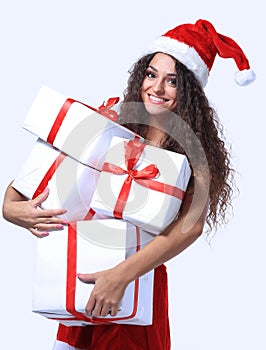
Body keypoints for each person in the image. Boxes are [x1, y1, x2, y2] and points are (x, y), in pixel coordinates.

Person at [2, 19, 255, 350]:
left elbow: (190, 227)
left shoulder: (193, 148)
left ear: (189, 90)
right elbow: (46, 165)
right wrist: (10, 208)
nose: (157, 88)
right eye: (151, 74)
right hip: (83, 273)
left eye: (172, 81)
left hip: (137, 283)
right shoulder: (113, 123)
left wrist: (120, 276)